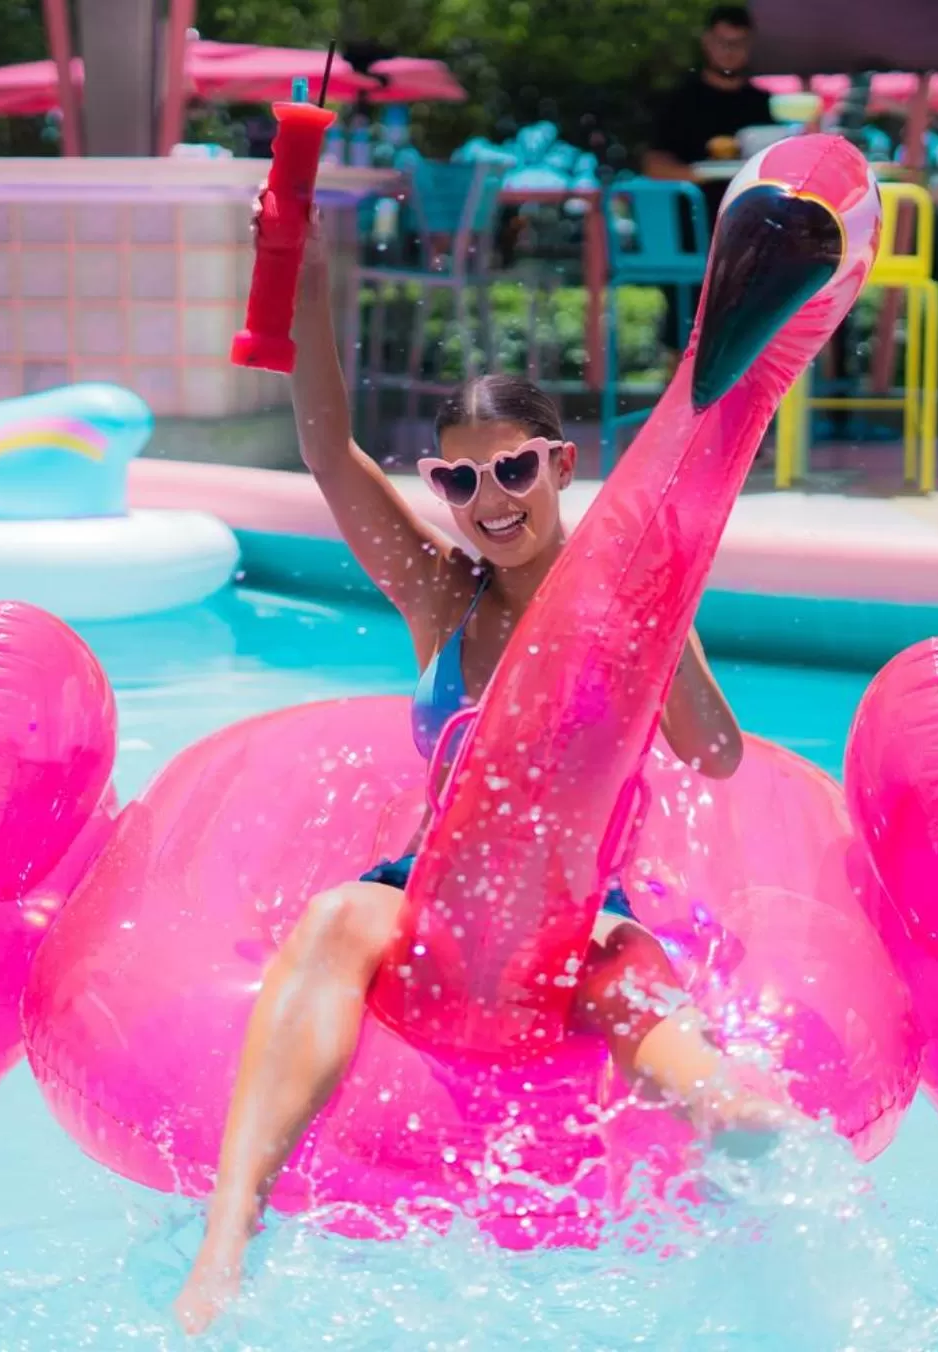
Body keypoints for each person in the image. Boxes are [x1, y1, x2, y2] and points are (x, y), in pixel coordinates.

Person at [173, 203, 796, 1335]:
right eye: (459, 483)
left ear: (561, 463)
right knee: (332, 920)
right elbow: (325, 448)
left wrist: (665, 621)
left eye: (512, 469)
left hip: (574, 901)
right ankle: (228, 1237)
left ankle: (731, 1118)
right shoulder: (440, 594)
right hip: (434, 889)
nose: (490, 501)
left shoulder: (624, 599)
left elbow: (716, 751)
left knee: (622, 971)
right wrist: (300, 275)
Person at [643, 5, 773, 363]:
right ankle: (677, 412)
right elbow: (654, 164)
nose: (729, 51)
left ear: (750, 45)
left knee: (752, 328)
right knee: (684, 329)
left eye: (738, 43)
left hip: (750, 234)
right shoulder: (681, 102)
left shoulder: (765, 107)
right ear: (707, 43)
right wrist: (698, 174)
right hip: (691, 234)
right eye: (722, 42)